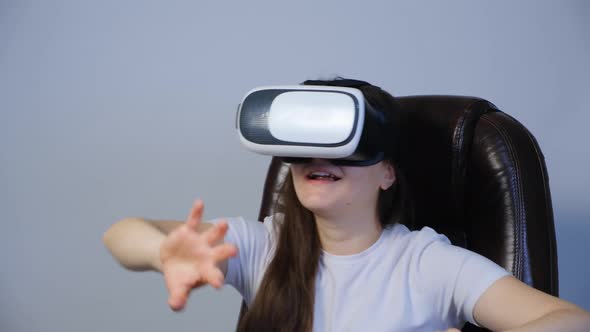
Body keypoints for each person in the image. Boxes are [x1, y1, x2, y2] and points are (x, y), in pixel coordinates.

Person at [103, 79, 590, 332]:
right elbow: (120, 233)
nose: (319, 158)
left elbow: (575, 321)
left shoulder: (426, 263)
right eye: (306, 145)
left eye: (339, 146)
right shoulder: (261, 244)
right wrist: (159, 252)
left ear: (387, 172)